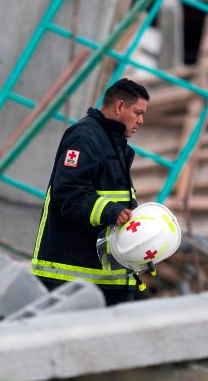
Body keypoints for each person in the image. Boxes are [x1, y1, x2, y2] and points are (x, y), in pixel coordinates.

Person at [30, 78, 149, 305]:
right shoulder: (85, 137)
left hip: (107, 277)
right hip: (71, 276)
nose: (141, 120)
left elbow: (118, 200)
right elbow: (68, 193)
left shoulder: (116, 145)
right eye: (138, 112)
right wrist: (111, 212)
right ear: (120, 106)